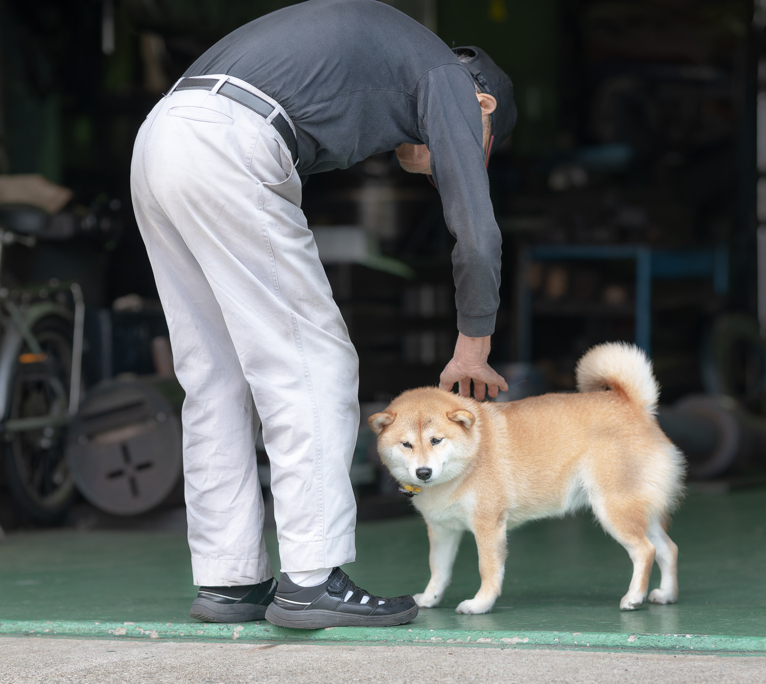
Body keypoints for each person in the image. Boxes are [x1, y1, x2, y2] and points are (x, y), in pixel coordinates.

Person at [129, 0, 515, 629]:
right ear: (485, 107)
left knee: (216, 374)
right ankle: (310, 579)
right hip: (230, 141)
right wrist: (474, 347)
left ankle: (229, 580)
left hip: (163, 135)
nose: (461, 155)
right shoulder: (451, 79)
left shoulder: (391, 62)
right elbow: (477, 231)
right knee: (314, 362)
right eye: (482, 146)